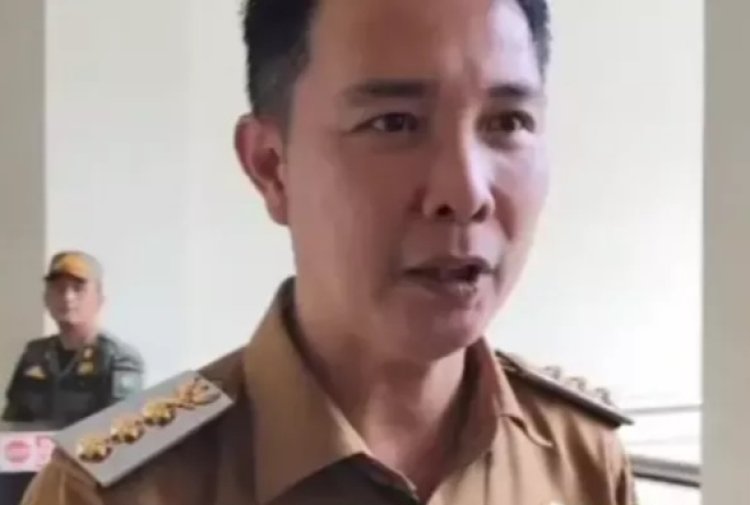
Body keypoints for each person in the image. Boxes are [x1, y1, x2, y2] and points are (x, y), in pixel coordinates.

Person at [22, 0, 637, 503]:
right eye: (394, 123)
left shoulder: (580, 461)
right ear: (272, 166)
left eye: (507, 123)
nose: (465, 193)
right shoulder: (117, 492)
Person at [2, 251, 143, 428]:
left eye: (78, 289)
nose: (68, 297)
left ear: (99, 300)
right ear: (46, 299)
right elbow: (12, 424)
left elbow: (122, 426)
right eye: (59, 289)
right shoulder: (35, 354)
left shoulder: (118, 358)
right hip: (35, 446)